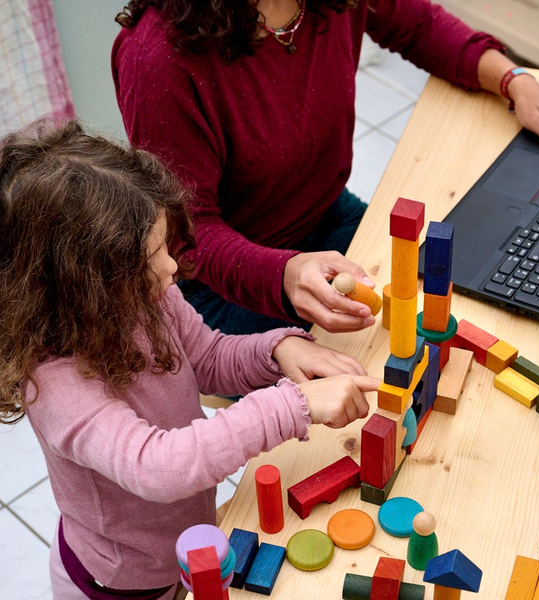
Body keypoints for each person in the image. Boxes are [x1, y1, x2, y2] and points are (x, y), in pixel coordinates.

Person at [0, 120, 379, 599]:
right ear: (83, 285)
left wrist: (277, 348)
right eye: (148, 258)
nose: (171, 267)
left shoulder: (146, 297)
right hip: (122, 584)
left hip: (187, 549)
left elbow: (210, 356)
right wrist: (293, 406)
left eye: (163, 247)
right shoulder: (56, 386)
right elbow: (160, 466)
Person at [112, 0, 539, 336]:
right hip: (225, 284)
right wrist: (285, 272)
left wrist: (516, 81)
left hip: (321, 217)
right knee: (390, 380)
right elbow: (189, 236)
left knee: (467, 309)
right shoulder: (158, 58)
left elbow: (419, 24)